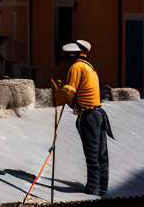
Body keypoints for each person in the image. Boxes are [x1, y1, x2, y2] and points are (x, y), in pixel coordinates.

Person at [55, 39, 113, 197]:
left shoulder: (76, 67)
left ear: (72, 55)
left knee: (91, 154)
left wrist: (60, 91)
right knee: (102, 155)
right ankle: (102, 187)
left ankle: (92, 188)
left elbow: (70, 91)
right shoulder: (90, 67)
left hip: (88, 116)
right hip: (99, 114)